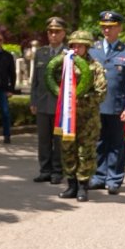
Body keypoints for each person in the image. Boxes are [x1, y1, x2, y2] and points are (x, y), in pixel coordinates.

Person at [51, 30, 107, 202]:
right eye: (73, 45)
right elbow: (52, 81)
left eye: (80, 46)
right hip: (67, 117)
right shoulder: (64, 65)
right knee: (67, 150)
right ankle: (71, 185)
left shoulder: (95, 66)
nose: (76, 48)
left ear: (87, 47)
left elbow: (101, 93)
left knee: (85, 152)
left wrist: (80, 97)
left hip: (87, 118)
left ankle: (83, 186)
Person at [88, 10, 125, 195]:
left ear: (119, 28)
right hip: (96, 106)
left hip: (118, 107)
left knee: (116, 144)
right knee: (98, 143)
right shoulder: (93, 50)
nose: (106, 30)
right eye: (104, 27)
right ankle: (99, 176)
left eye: (110, 27)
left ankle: (114, 179)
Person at [29, 17, 67, 184]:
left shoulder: (68, 54)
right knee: (43, 140)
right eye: (50, 32)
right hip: (43, 103)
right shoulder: (41, 53)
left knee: (58, 141)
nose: (53, 35)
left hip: (60, 105)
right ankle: (45, 170)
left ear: (63, 34)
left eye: (56, 32)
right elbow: (35, 80)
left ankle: (57, 171)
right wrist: (33, 101)